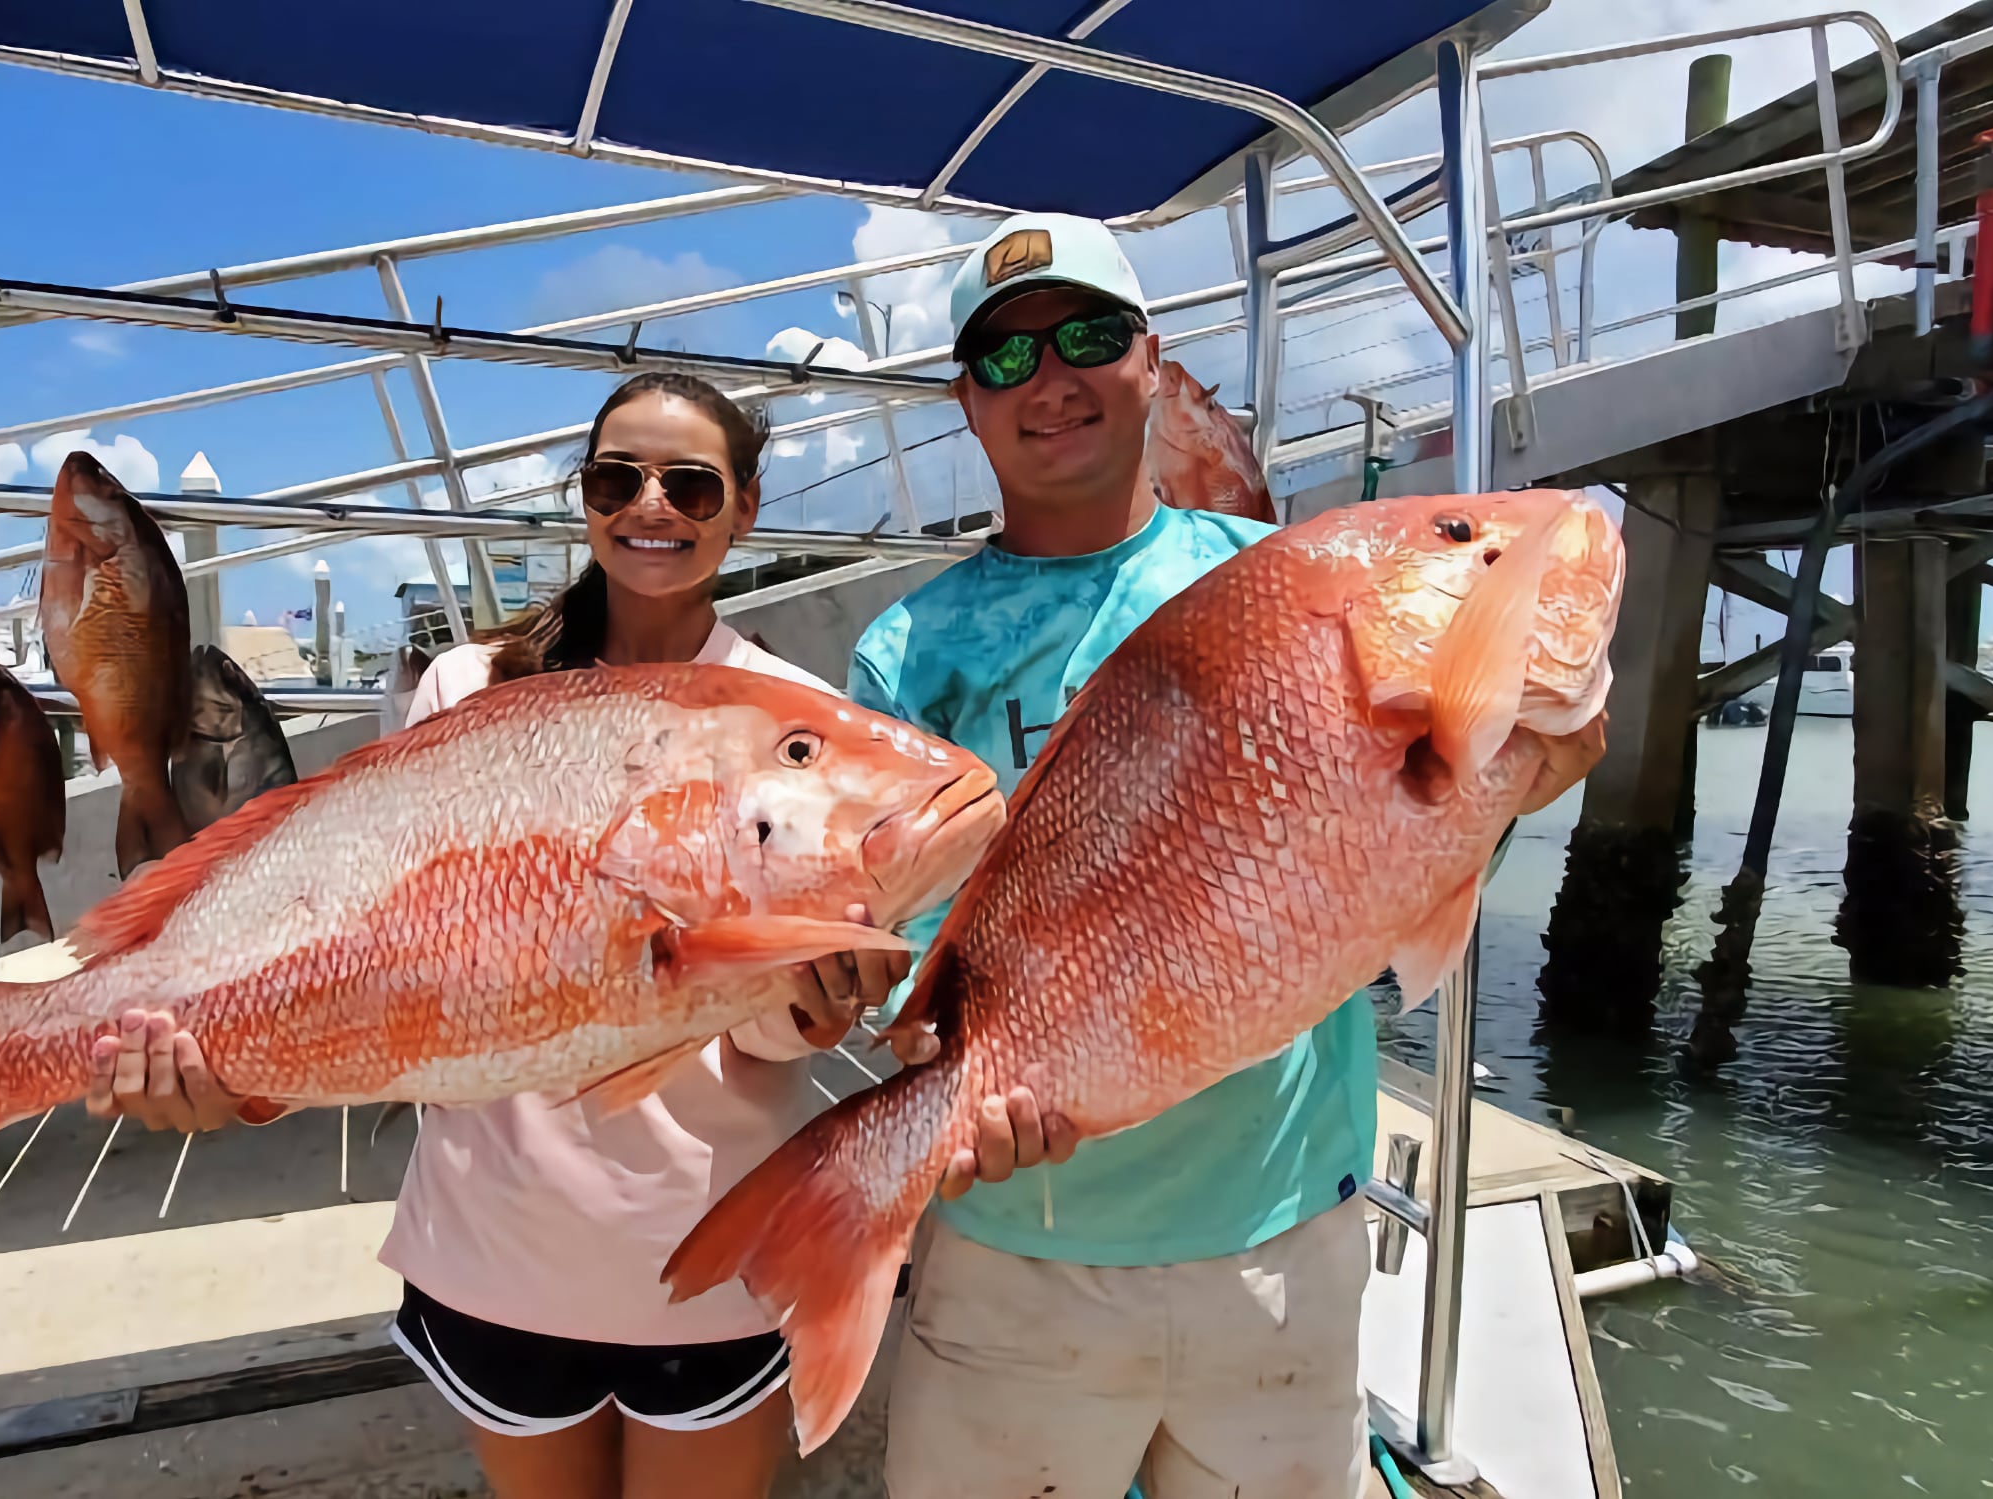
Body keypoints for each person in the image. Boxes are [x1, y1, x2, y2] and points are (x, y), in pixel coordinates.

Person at [86, 371, 910, 1499]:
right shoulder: (469, 684)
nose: (651, 504)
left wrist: (811, 1008)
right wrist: (235, 1067)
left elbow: (761, 1036)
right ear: (584, 498)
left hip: (712, 1249)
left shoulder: (792, 714)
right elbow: (380, 935)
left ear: (747, 505)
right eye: (617, 478)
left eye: (691, 482)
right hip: (496, 1247)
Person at [852, 213, 1380, 1499]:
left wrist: (1519, 746)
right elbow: (904, 954)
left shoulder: (1297, 585)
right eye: (1004, 358)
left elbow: (1401, 832)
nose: (1050, 378)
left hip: (1280, 1234)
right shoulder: (907, 653)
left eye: (1086, 335)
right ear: (964, 405)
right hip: (1014, 1251)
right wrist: (943, 1062)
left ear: (1154, 361)